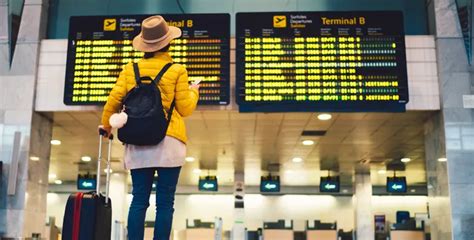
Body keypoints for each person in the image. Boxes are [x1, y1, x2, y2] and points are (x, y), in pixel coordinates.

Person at [99, 15, 199, 240]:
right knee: (165, 201)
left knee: (139, 198)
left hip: (137, 140)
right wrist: (194, 90)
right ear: (168, 42)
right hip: (169, 141)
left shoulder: (130, 69)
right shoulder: (177, 70)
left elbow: (113, 100)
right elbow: (185, 108)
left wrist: (107, 126)